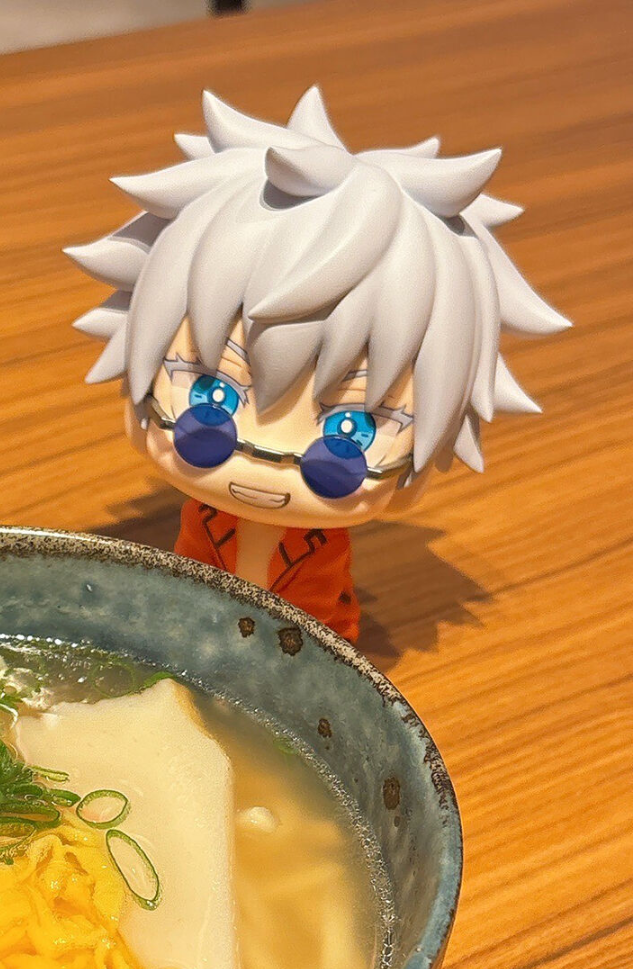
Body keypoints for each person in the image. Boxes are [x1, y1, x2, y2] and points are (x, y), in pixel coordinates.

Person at [67, 87, 569, 642]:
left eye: (347, 434)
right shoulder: (205, 520)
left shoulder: (317, 545)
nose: (265, 459)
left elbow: (315, 617)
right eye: (212, 399)